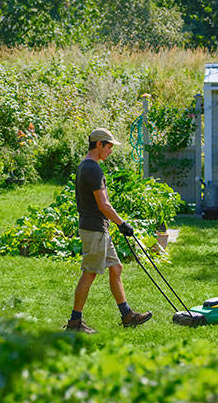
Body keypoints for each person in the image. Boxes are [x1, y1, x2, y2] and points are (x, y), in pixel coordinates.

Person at [65, 127, 153, 333]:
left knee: (116, 268)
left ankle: (127, 315)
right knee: (89, 274)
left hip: (98, 228)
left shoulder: (85, 166)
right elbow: (104, 204)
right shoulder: (92, 168)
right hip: (94, 229)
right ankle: (74, 322)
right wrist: (122, 224)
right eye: (109, 146)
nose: (111, 151)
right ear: (99, 144)